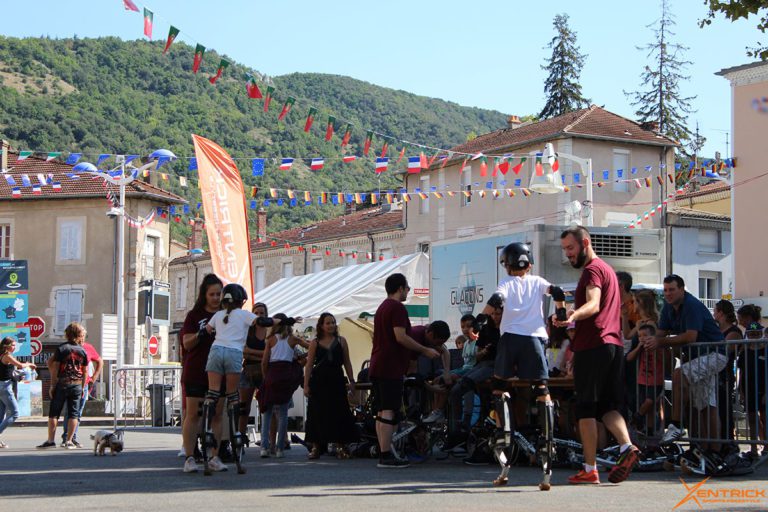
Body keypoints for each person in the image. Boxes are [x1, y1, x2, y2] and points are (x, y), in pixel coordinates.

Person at [556, 226, 639, 485]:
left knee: (585, 408)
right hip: (613, 346)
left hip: (594, 345)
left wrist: (572, 315)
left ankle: (590, 468)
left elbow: (593, 304)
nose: (568, 255)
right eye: (564, 250)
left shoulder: (592, 270)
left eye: (570, 248)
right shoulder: (608, 271)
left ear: (585, 243)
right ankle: (627, 447)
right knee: (607, 407)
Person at [474, 243, 566, 467]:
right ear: (529, 264)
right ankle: (547, 438)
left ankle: (503, 432)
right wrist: (560, 311)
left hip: (511, 338)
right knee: (541, 387)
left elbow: (497, 300)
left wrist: (480, 319)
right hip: (535, 338)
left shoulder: (507, 282)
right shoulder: (538, 281)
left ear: (507, 265)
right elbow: (558, 291)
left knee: (499, 384)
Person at [203, 286, 296, 472]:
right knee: (233, 398)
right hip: (233, 354)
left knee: (213, 394)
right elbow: (263, 321)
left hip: (215, 351)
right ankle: (236, 445)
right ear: (241, 300)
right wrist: (285, 320)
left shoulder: (218, 315)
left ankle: (207, 435)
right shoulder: (244, 315)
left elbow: (207, 330)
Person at [649, 275, 727, 458]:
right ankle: (711, 451)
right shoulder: (668, 308)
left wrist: (659, 341)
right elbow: (659, 333)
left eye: (672, 289)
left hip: (715, 353)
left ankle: (676, 424)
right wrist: (647, 339)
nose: (668, 293)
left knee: (678, 374)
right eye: (665, 290)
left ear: (682, 290)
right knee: (706, 406)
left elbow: (690, 337)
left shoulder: (691, 305)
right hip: (698, 358)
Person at [369, 273, 439, 468]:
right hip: (389, 365)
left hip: (379, 363)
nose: (408, 291)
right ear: (400, 288)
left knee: (382, 410)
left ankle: (384, 451)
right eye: (407, 288)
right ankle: (385, 455)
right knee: (389, 410)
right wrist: (425, 350)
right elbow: (400, 336)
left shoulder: (382, 307)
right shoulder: (397, 308)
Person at [180, 274, 223, 473]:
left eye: (219, 294)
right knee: (193, 415)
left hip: (220, 371)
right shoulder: (194, 315)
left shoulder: (226, 315)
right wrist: (202, 332)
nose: (216, 298)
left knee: (217, 414)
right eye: (212, 294)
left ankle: (215, 456)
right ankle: (189, 457)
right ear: (204, 295)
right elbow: (186, 343)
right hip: (197, 370)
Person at [303, 312, 358, 459]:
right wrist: (306, 384)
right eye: (328, 323)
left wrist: (352, 380)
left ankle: (340, 446)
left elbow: (347, 362)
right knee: (316, 413)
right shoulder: (315, 342)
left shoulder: (341, 341)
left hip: (336, 380)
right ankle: (316, 447)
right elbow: (309, 365)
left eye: (333, 322)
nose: (331, 325)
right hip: (319, 381)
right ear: (321, 325)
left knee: (339, 412)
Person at [37, 322, 89, 449]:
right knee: (73, 414)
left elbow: (54, 367)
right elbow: (85, 371)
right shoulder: (83, 351)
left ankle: (50, 441)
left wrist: (52, 385)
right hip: (76, 385)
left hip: (62, 383)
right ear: (79, 335)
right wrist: (82, 387)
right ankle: (69, 441)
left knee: (54, 413)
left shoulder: (62, 348)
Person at [259, 312, 304, 459]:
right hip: (286, 375)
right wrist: (299, 358)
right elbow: (310, 346)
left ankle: (265, 447)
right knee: (283, 413)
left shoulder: (271, 339)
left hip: (272, 374)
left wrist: (266, 376)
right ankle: (280, 448)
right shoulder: (293, 339)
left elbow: (264, 361)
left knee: (267, 412)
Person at [625, 289, 664, 435]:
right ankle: (649, 433)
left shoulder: (652, 323)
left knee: (650, 401)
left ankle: (639, 419)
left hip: (652, 367)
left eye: (635, 301)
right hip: (642, 366)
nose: (633, 304)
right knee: (647, 403)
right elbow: (628, 335)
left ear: (641, 304)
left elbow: (653, 344)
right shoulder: (640, 322)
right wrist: (624, 316)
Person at [61, 335, 103, 447]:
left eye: (84, 336)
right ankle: (66, 437)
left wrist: (93, 378)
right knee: (68, 412)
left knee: (77, 412)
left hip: (83, 384)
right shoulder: (66, 348)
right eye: (80, 337)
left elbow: (100, 361)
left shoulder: (88, 348)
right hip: (70, 383)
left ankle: (72, 437)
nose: (82, 339)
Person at [237, 302, 269, 440]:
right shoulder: (247, 330)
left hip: (265, 371)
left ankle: (268, 438)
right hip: (248, 370)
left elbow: (272, 351)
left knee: (267, 406)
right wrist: (264, 353)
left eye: (262, 313)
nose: (259, 315)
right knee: (244, 407)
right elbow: (244, 351)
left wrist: (253, 353)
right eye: (256, 313)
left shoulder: (270, 331)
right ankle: (241, 435)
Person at [0, 337, 36, 447]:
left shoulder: (3, 356)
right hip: (5, 387)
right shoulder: (7, 356)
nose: (15, 347)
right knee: (15, 413)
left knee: (1, 414)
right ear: (7, 346)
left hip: (2, 386)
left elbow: (11, 371)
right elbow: (20, 365)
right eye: (13, 345)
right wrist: (29, 364)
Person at [738, 321, 766, 459]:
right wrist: (741, 391)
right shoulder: (744, 353)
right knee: (752, 418)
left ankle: (766, 446)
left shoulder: (766, 350)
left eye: (757, 334)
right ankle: (754, 447)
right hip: (749, 389)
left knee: (765, 418)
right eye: (752, 334)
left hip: (763, 389)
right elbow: (742, 373)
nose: (754, 336)